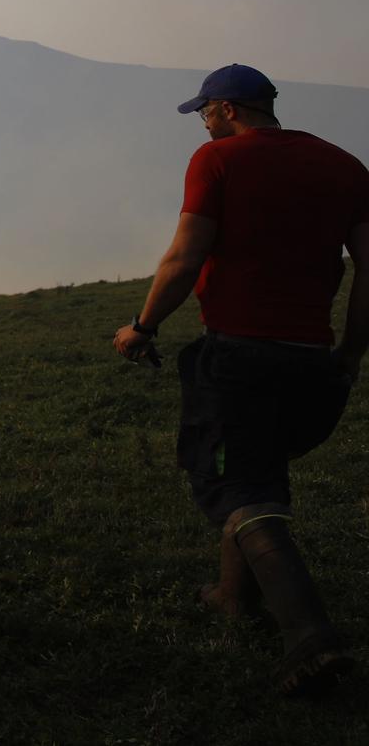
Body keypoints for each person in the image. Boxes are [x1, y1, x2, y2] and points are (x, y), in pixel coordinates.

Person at [111, 63, 369, 697]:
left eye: (204, 112)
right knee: (257, 471)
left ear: (226, 110)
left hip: (240, 358)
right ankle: (232, 596)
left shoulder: (217, 161)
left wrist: (141, 326)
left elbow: (185, 254)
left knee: (242, 488)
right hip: (313, 359)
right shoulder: (345, 165)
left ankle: (309, 638)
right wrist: (351, 353)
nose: (202, 123)